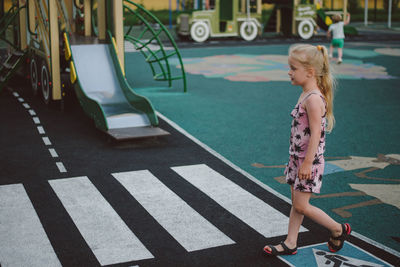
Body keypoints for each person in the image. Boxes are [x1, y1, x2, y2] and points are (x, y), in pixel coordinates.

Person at [263, 44, 351, 256]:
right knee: (297, 204)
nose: (289, 72)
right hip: (297, 159)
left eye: (293, 68)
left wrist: (307, 163)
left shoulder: (313, 99)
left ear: (310, 72)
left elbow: (317, 135)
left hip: (307, 161)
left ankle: (338, 229)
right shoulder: (305, 93)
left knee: (302, 206)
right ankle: (291, 242)